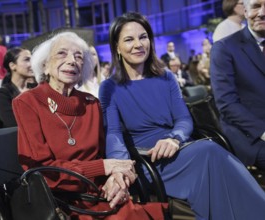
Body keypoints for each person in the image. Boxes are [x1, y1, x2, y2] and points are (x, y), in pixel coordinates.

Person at [99, 12, 265, 220]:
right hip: (149, 159)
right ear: (117, 47)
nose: (138, 44)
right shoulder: (109, 87)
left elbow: (183, 119)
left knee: (210, 154)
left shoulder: (166, 77)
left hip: (179, 148)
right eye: (129, 39)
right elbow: (113, 134)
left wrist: (174, 138)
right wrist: (121, 169)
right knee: (210, 150)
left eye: (143, 37)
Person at [12, 31, 164, 219]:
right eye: (62, 53)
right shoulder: (28, 102)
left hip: (101, 194)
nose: (72, 60)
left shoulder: (91, 103)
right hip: (61, 201)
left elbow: (106, 154)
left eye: (78, 56)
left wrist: (116, 179)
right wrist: (102, 168)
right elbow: (43, 172)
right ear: (45, 66)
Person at [210, 0, 265, 170]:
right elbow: (227, 104)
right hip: (251, 134)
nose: (262, 13)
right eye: (256, 6)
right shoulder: (224, 48)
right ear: (245, 10)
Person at [0, 47, 35, 128]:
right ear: (12, 66)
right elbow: (13, 123)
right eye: (27, 60)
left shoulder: (37, 89)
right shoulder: (2, 94)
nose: (32, 64)